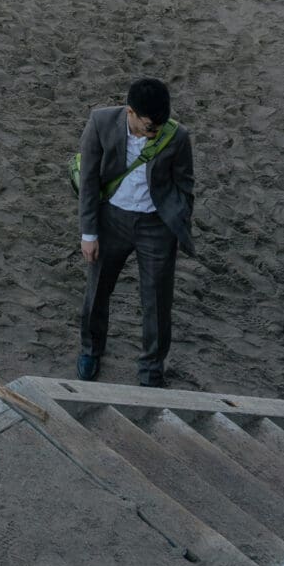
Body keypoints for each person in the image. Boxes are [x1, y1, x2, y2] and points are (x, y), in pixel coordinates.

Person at [76, 76, 195, 386]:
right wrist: (88, 233)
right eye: (147, 126)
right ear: (130, 112)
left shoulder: (177, 136)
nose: (153, 133)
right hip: (111, 220)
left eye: (158, 127)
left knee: (157, 301)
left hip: (156, 226)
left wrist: (178, 220)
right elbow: (88, 179)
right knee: (98, 290)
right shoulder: (101, 122)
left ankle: (152, 369)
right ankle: (91, 350)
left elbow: (185, 184)